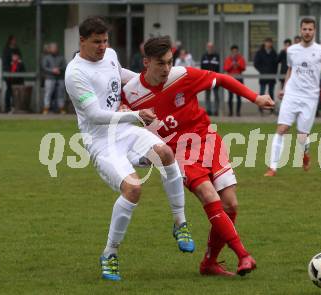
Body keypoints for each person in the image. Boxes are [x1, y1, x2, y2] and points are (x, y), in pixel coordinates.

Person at [121, 35, 275, 277]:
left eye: (170, 61)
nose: (167, 68)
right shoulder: (130, 94)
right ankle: (243, 255)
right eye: (161, 63)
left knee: (231, 204)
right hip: (179, 152)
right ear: (146, 62)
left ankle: (210, 263)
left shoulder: (182, 76)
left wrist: (255, 98)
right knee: (207, 193)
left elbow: (222, 79)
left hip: (207, 139)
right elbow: (115, 120)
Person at [64, 17, 194, 282]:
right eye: (96, 42)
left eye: (105, 41)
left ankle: (180, 223)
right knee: (133, 189)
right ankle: (110, 254)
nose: (102, 47)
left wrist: (148, 84)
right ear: (82, 41)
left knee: (167, 154)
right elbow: (95, 115)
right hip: (101, 140)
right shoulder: (75, 73)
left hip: (124, 129)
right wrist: (135, 114)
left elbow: (120, 75)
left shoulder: (110, 55)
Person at [264, 18, 321, 177]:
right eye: (304, 29)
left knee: (302, 136)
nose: (307, 32)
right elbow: (290, 69)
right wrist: (284, 88)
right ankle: (272, 167)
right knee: (282, 129)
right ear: (300, 30)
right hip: (291, 94)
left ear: (314, 31)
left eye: (310, 29)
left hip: (310, 97)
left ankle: (305, 155)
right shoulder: (291, 50)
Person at [254, 37, 279, 115]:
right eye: (267, 42)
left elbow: (276, 64)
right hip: (263, 75)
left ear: (271, 44)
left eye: (270, 42)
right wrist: (262, 70)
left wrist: (274, 72)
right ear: (264, 43)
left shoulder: (274, 53)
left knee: (271, 92)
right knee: (262, 92)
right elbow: (256, 63)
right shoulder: (260, 52)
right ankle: (261, 108)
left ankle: (271, 109)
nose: (268, 44)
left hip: (271, 76)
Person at [42, 42, 66, 114]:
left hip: (60, 78)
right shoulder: (46, 57)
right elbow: (44, 67)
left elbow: (65, 66)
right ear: (50, 49)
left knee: (60, 94)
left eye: (55, 48)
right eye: (53, 48)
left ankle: (61, 108)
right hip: (49, 78)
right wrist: (52, 70)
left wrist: (59, 69)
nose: (54, 49)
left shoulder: (61, 57)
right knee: (48, 93)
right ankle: (46, 108)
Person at [223, 45, 246, 116]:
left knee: (239, 96)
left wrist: (238, 65)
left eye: (236, 52)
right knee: (230, 96)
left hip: (239, 78)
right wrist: (231, 65)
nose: (235, 53)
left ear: (237, 52)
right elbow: (225, 68)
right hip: (230, 79)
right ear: (231, 52)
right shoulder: (228, 59)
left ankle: (238, 112)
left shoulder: (241, 58)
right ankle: (230, 112)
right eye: (233, 52)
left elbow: (243, 68)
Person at [2, 35, 22, 113]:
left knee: (17, 91)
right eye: (13, 40)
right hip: (9, 73)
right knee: (9, 90)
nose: (15, 41)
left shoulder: (17, 50)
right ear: (10, 40)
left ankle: (16, 107)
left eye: (15, 40)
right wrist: (11, 62)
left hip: (17, 73)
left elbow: (20, 59)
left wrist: (18, 61)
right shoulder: (6, 50)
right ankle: (7, 107)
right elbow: (5, 62)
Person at [200, 42, 220, 116]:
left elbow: (219, 68)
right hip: (206, 79)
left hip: (215, 79)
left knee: (216, 95)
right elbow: (201, 69)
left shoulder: (217, 56)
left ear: (213, 48)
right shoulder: (204, 56)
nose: (210, 48)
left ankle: (216, 111)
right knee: (207, 95)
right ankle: (208, 110)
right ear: (207, 48)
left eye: (211, 47)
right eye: (209, 47)